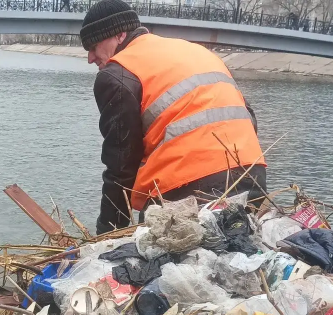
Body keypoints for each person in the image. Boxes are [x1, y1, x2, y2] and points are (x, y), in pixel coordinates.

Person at [80, 0, 267, 235]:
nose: (90, 57)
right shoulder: (195, 51)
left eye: (94, 46)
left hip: (189, 194)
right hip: (252, 179)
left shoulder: (118, 73)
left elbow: (120, 166)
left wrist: (108, 234)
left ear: (119, 35)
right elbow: (248, 117)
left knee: (155, 240)